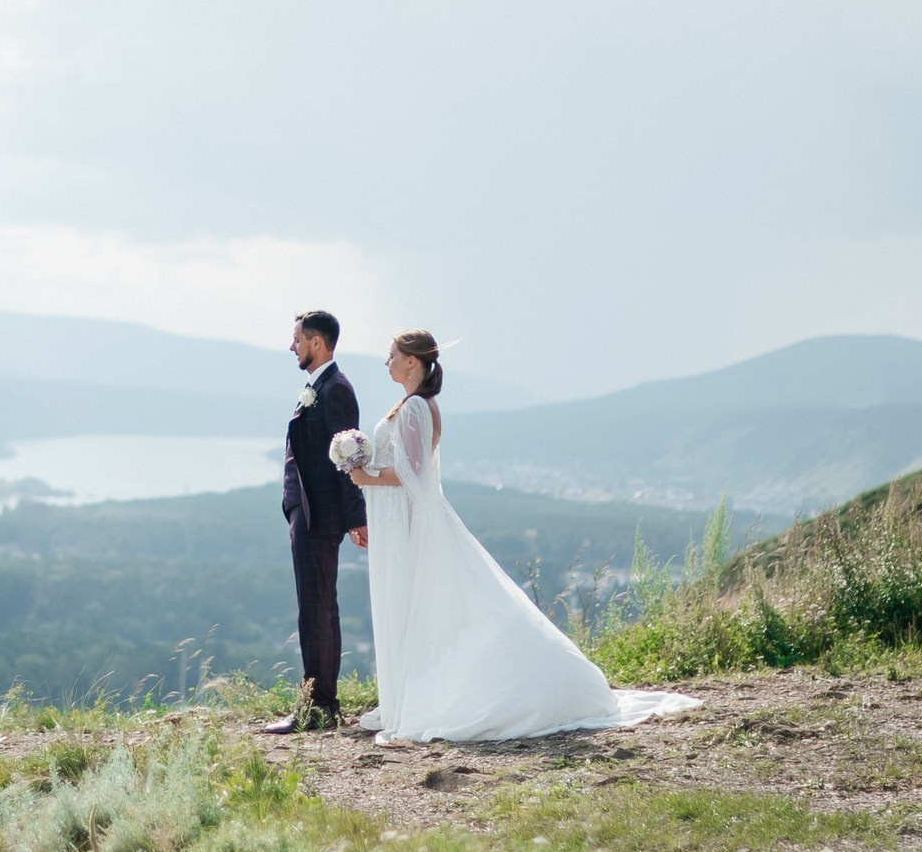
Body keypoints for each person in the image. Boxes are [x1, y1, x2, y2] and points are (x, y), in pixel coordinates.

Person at [349, 329, 698, 743]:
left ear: (412, 361)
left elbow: (413, 474)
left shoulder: (414, 409)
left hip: (409, 520)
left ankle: (455, 694)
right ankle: (408, 694)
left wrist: (361, 474)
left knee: (433, 605)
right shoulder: (417, 406)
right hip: (406, 520)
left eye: (391, 355)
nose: (385, 361)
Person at [271, 309, 363, 733]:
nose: (292, 346)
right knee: (321, 608)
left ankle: (318, 707)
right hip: (307, 513)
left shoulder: (335, 390)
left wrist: (355, 518)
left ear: (317, 343)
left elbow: (349, 460)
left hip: (318, 516)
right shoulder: (318, 386)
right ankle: (323, 704)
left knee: (316, 610)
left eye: (297, 339)